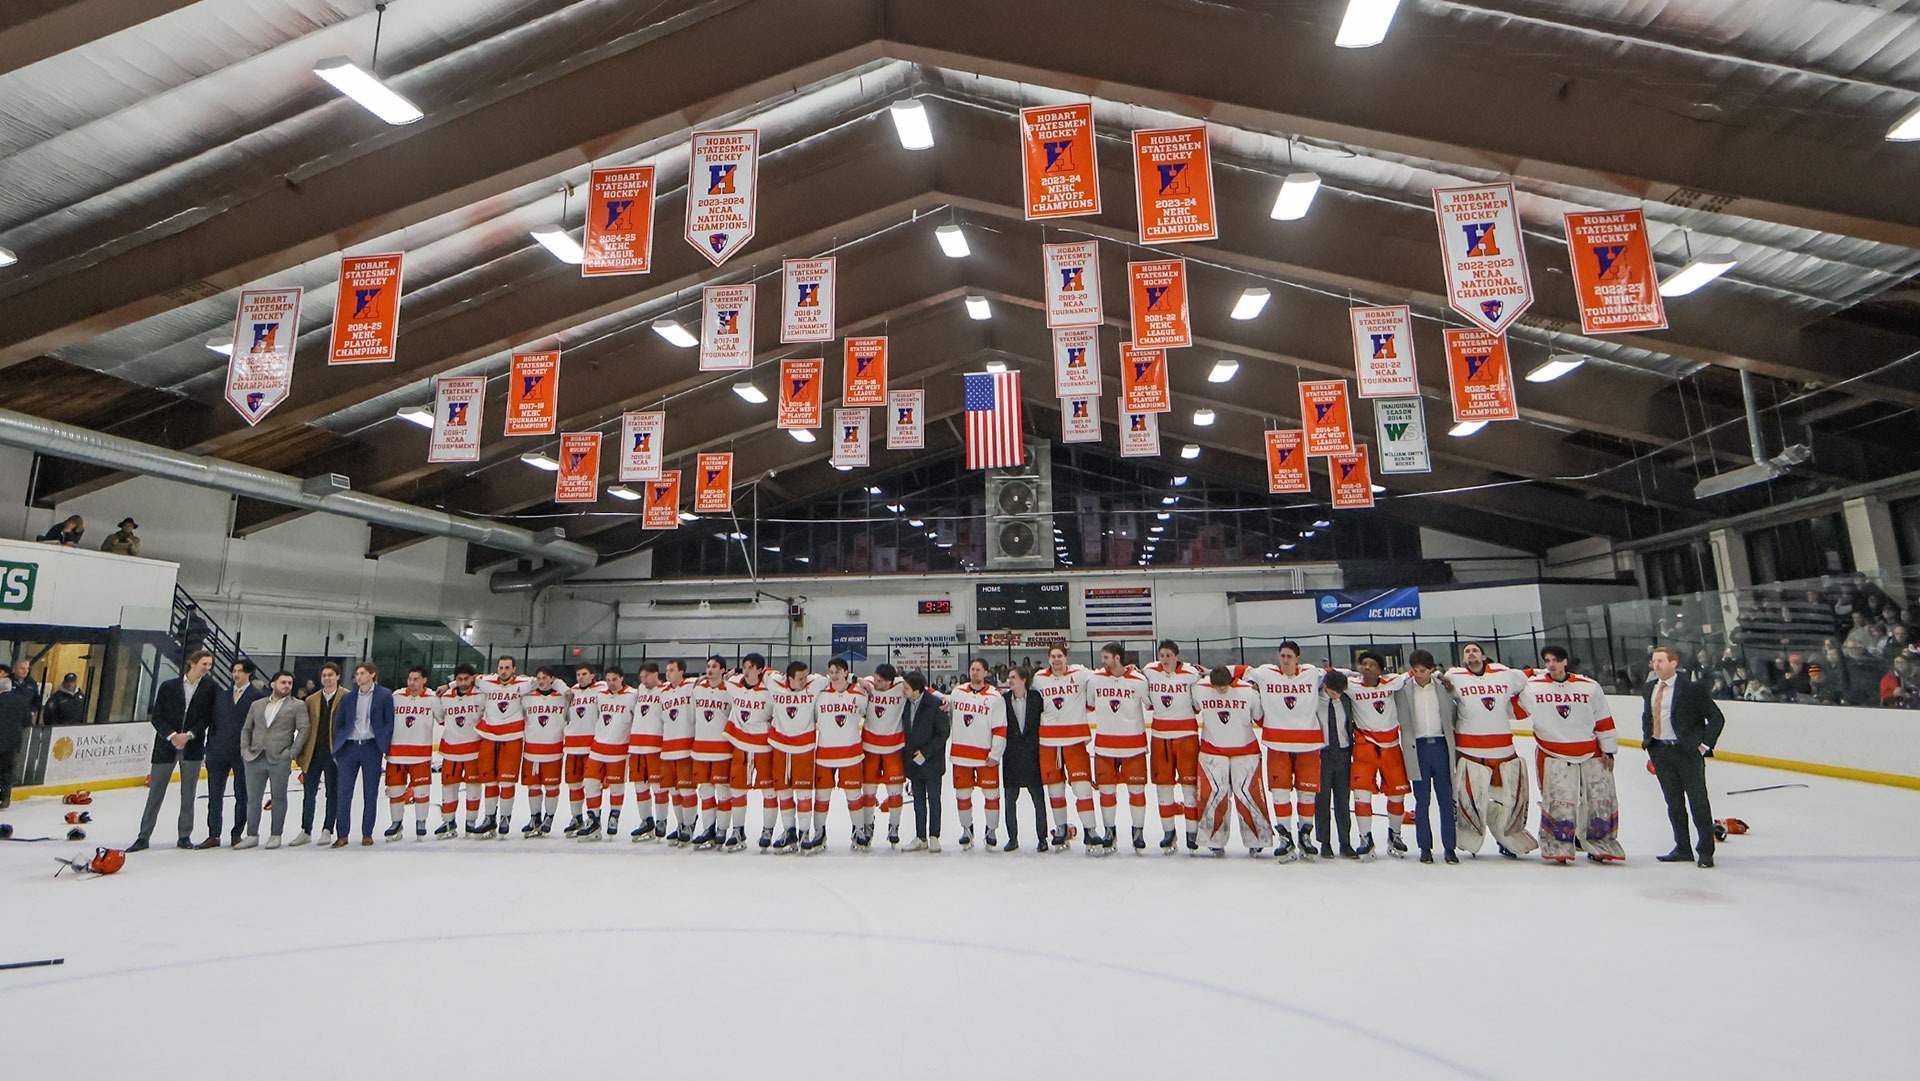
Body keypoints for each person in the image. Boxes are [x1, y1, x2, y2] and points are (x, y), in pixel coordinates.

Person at [1524, 647, 1624, 865]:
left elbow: (1603, 719)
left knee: (1596, 801)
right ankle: (1557, 844)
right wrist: (1522, 677)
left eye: (1556, 660)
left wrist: (1608, 749)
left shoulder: (1589, 686)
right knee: (1558, 801)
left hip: (1589, 752)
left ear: (1565, 661)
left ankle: (1599, 842)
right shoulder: (1532, 687)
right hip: (1552, 754)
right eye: (1547, 661)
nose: (1552, 665)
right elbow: (1515, 710)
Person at [1441, 643, 1537, 860]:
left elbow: (1527, 677)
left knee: (1508, 802)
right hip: (1470, 753)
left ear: (1484, 656)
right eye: (1467, 652)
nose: (1471, 653)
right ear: (1464, 659)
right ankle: (1468, 840)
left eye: (1475, 650)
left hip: (1504, 753)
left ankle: (1507, 839)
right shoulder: (1454, 677)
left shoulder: (1503, 673)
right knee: (1472, 802)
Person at [1242, 641, 1327, 860]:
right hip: (1277, 745)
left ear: (1298, 658)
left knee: (1306, 793)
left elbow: (1337, 675)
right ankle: (1285, 837)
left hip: (1308, 745)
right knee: (1280, 793)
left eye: (1289, 656)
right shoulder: (1265, 673)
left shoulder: (1311, 673)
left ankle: (1305, 836)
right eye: (1282, 656)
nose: (1285, 660)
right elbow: (1239, 672)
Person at [1643, 646, 1727, 868]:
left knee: (1698, 802)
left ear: (1673, 663)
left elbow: (1716, 718)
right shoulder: (1650, 688)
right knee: (1674, 803)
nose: (1657, 665)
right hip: (1662, 752)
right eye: (1654, 661)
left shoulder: (1691, 689)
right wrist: (1649, 743)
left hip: (1687, 752)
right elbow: (1648, 716)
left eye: (1661, 660)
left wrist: (1703, 745)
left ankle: (1705, 851)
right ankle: (1682, 847)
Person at [130, 649, 216, 853]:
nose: (207, 668)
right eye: (204, 664)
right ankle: (143, 836)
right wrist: (172, 735)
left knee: (189, 794)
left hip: (192, 747)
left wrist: (189, 735)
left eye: (209, 665)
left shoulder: (210, 688)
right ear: (192, 663)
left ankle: (184, 835)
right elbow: (157, 715)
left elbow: (207, 717)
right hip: (165, 747)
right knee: (155, 794)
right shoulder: (168, 687)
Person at [1192, 664, 1271, 856]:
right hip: (1212, 751)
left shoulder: (1248, 692)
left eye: (1224, 686)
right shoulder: (1200, 688)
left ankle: (1257, 839)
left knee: (1248, 794)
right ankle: (1214, 840)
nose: (1220, 689)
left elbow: (1260, 718)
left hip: (1246, 752)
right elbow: (1193, 707)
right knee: (1215, 795)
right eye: (1217, 686)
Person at [1085, 642, 1152, 855]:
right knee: (1106, 791)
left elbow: (1150, 704)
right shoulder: (1095, 679)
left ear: (1117, 658)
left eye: (1106, 657)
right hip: (1105, 744)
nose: (1102, 661)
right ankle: (1109, 832)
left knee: (1137, 791)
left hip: (1133, 744)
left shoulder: (1139, 680)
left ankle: (1138, 832)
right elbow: (1090, 703)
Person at [1030, 645, 1098, 850]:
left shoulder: (1081, 673)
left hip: (1075, 740)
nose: (1056, 659)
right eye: (1053, 656)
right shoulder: (1039, 678)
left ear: (1066, 658)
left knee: (1082, 787)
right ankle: (1061, 829)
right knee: (1055, 788)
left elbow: (1105, 675)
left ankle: (1090, 830)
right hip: (1049, 742)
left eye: (1060, 656)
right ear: (1048, 659)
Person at [1346, 652, 1411, 860]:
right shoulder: (1352, 685)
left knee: (1396, 795)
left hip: (1391, 747)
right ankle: (1365, 838)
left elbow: (1412, 675)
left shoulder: (1392, 682)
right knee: (1362, 795)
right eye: (1363, 664)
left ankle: (1396, 835)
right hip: (1365, 748)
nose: (1366, 667)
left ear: (1380, 669)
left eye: (1371, 664)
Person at [1141, 640, 1204, 853]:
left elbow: (1198, 704)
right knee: (1163, 788)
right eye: (1162, 655)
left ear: (1177, 656)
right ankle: (1169, 833)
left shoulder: (1190, 674)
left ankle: (1192, 833)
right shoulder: (1149, 671)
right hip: (1160, 738)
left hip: (1187, 738)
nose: (1165, 659)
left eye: (1169, 655)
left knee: (1189, 789)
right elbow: (1148, 701)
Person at [238, 671, 309, 849]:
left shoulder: (297, 705)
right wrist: (245, 749)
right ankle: (252, 834)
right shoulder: (257, 705)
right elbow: (246, 728)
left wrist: (292, 752)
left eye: (290, 683)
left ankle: (276, 834)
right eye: (283, 682)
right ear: (273, 684)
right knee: (253, 799)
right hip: (255, 757)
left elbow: (304, 729)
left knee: (278, 797)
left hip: (279, 757)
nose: (287, 686)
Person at [1399, 650, 1457, 864]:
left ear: (1432, 669)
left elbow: (1456, 712)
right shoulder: (1404, 689)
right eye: (1415, 670)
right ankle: (1425, 847)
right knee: (1421, 801)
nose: (1418, 674)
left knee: (1445, 800)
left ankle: (1449, 847)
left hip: (1441, 747)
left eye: (1422, 670)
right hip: (1418, 749)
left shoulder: (1444, 687)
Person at [198, 660, 261, 849]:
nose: (236, 674)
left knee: (242, 793)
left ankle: (237, 833)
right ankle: (213, 834)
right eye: (234, 670)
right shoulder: (221, 696)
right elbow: (213, 721)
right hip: (217, 751)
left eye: (240, 671)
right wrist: (209, 747)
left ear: (249, 673)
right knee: (214, 794)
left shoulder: (256, 697)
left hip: (242, 752)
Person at [946, 658, 1007, 852]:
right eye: (972, 669)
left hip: (985, 756)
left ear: (986, 672)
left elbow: (1000, 728)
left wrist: (995, 754)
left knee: (991, 796)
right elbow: (940, 700)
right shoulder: (957, 693)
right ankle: (967, 829)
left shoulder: (995, 697)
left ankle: (991, 830)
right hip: (961, 755)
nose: (974, 672)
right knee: (962, 796)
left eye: (978, 669)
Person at [330, 662, 394, 847]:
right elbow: (339, 722)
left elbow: (389, 721)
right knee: (344, 793)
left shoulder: (384, 695)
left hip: (371, 747)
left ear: (372, 674)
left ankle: (367, 832)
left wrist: (383, 745)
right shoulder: (348, 697)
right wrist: (339, 745)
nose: (358, 677)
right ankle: (342, 834)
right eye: (357, 673)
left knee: (370, 792)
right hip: (349, 748)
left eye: (362, 673)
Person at [768, 660, 827, 853]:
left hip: (804, 748)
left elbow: (837, 678)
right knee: (783, 792)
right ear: (789, 677)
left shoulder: (815, 682)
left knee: (804, 793)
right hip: (780, 747)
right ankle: (789, 831)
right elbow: (760, 672)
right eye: (800, 678)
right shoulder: (774, 682)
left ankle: (804, 833)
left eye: (806, 676)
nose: (804, 680)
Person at [812, 657, 869, 853]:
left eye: (837, 671)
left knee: (854, 796)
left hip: (851, 753)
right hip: (825, 754)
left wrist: (856, 678)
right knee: (821, 797)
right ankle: (819, 833)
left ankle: (859, 831)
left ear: (846, 672)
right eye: (831, 672)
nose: (833, 676)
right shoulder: (820, 693)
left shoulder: (860, 693)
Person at [473, 655, 531, 838]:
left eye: (507, 667)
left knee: (506, 781)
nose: (503, 671)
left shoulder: (525, 682)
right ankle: (490, 818)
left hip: (512, 737)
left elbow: (548, 680)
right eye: (501, 667)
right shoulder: (486, 681)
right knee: (489, 780)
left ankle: (505, 818)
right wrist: (447, 686)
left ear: (514, 669)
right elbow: (466, 678)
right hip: (489, 736)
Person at [579, 666, 638, 841]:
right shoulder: (600, 695)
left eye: (614, 679)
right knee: (589, 783)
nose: (611, 683)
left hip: (619, 749)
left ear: (622, 679)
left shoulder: (632, 696)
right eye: (609, 679)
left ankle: (614, 817)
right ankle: (593, 820)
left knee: (616, 787)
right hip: (597, 748)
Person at [386, 666, 442, 840]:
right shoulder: (396, 696)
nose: (412, 682)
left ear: (424, 680)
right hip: (396, 753)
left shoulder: (432, 699)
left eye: (416, 679)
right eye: (410, 678)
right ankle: (396, 823)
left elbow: (441, 719)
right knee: (395, 791)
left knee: (421, 791)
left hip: (421, 755)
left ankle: (421, 822)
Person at [292, 663, 344, 847]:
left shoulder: (346, 697)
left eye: (330, 675)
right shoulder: (311, 700)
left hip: (334, 753)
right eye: (324, 675)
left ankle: (328, 828)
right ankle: (306, 829)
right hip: (313, 752)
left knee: (332, 792)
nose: (327, 678)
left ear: (338, 676)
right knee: (309, 792)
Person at [689, 656, 738, 850]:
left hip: (722, 749)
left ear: (723, 670)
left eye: (714, 666)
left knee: (723, 790)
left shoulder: (730, 691)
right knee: (705, 790)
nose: (710, 670)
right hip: (700, 748)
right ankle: (708, 828)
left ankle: (722, 829)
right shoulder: (697, 690)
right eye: (708, 666)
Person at [434, 665, 486, 838]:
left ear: (472, 678)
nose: (463, 682)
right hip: (450, 750)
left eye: (466, 679)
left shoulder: (481, 694)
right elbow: (441, 719)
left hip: (474, 749)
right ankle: (449, 822)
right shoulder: (446, 697)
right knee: (448, 787)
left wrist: (449, 685)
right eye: (459, 679)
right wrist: (449, 687)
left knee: (473, 787)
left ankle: (471, 822)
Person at [900, 670, 949, 853]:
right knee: (918, 800)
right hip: (913, 762)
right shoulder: (906, 704)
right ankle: (921, 836)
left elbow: (943, 733)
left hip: (932, 762)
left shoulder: (936, 705)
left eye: (906, 688)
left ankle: (934, 836)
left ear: (917, 690)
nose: (903, 690)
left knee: (934, 799)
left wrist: (926, 753)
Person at [1313, 670, 1360, 860]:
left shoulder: (1346, 702)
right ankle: (1324, 842)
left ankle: (1345, 842)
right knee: (1322, 800)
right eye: (1333, 692)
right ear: (1325, 686)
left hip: (1343, 754)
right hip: (1322, 754)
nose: (1336, 695)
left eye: (1339, 692)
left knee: (1343, 800)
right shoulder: (1315, 700)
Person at [518, 666, 570, 836]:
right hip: (532, 749)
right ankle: (535, 817)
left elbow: (569, 714)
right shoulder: (528, 698)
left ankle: (549, 817)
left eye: (544, 678)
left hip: (553, 749)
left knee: (551, 786)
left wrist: (559, 685)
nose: (541, 681)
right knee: (533, 787)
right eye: (538, 678)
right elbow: (517, 691)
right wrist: (530, 682)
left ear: (552, 679)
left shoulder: (561, 698)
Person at [1000, 666, 1046, 852]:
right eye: (1009, 677)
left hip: (1033, 756)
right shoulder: (1002, 701)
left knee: (1038, 800)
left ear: (1024, 680)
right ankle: (1012, 838)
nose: (1009, 680)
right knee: (1010, 801)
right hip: (1011, 757)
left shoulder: (1036, 698)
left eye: (1013, 677)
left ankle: (1042, 838)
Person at [622, 662, 665, 841]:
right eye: (641, 677)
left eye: (646, 676)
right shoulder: (639, 689)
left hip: (655, 744)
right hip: (637, 744)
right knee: (640, 786)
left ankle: (662, 820)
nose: (643, 680)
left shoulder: (665, 691)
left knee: (658, 786)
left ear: (655, 674)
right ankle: (646, 820)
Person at [562, 663, 603, 837]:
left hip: (592, 745)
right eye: (578, 674)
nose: (581, 677)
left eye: (584, 674)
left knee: (591, 784)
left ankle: (594, 819)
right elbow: (566, 715)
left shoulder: (601, 690)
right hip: (572, 744)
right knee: (574, 784)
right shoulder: (572, 691)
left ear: (593, 675)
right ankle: (576, 817)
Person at [658, 658, 697, 845]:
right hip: (667, 747)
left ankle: (690, 824)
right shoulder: (663, 693)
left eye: (671, 670)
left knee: (687, 789)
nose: (668, 673)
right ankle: (681, 824)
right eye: (666, 670)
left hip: (686, 746)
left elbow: (705, 680)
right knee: (674, 790)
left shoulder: (691, 686)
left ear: (681, 672)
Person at [0, 673, 27, 809]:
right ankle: (5, 797)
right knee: (7, 771)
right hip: (13, 743)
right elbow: (27, 720)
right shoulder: (21, 701)